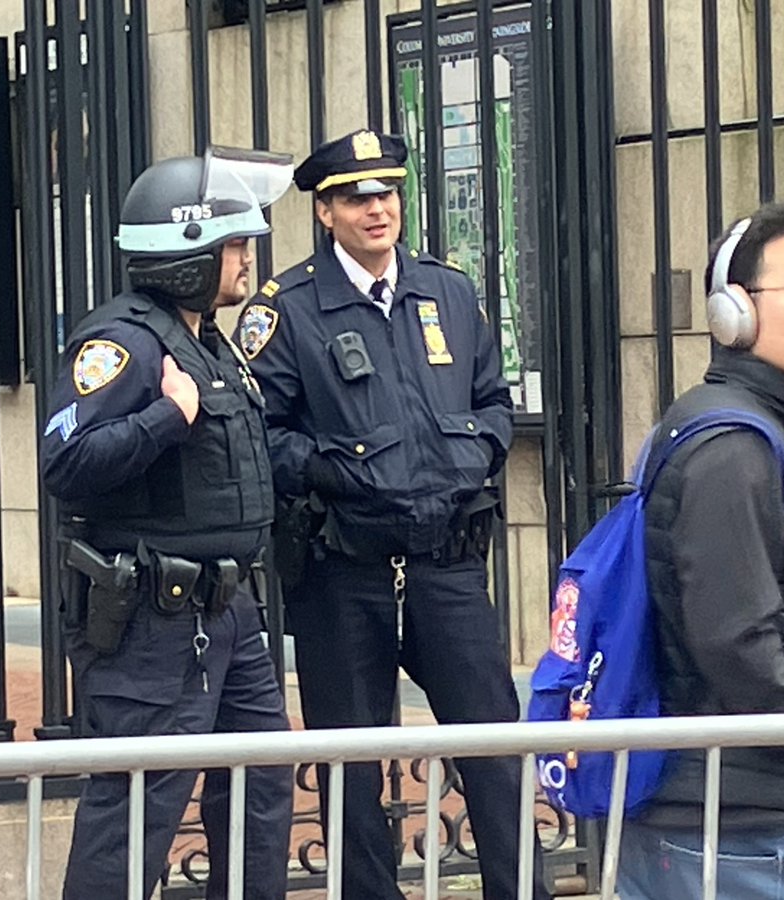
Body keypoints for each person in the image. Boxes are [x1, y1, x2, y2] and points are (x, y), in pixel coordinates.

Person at [235, 129, 546, 900]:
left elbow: (492, 402)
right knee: (354, 763)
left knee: (494, 747)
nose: (377, 210)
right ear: (325, 213)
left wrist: (474, 456)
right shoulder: (289, 309)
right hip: (345, 569)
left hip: (445, 562)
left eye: (386, 193)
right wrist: (335, 471)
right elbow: (260, 434)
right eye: (355, 198)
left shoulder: (447, 289)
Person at [41, 148, 296, 899]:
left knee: (259, 786)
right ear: (188, 256)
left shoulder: (206, 339)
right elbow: (66, 460)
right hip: (154, 619)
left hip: (229, 610)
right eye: (235, 246)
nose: (248, 260)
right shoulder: (124, 342)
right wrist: (166, 417)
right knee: (137, 810)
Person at [615, 201, 784, 899]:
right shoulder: (735, 447)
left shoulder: (747, 428)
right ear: (734, 313)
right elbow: (732, 636)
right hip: (737, 833)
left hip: (729, 816)